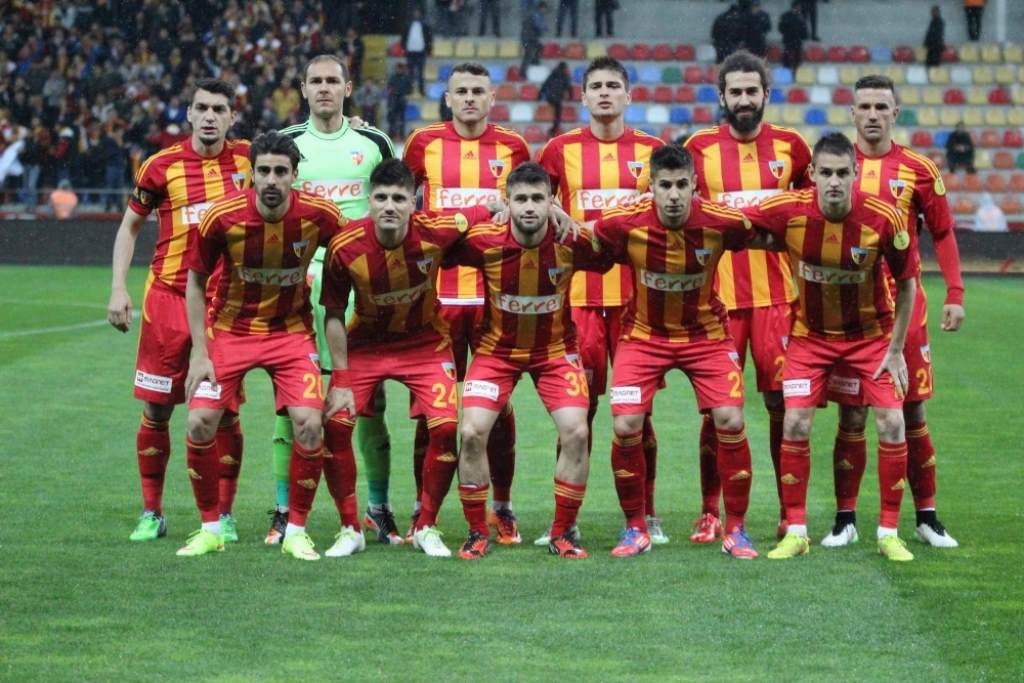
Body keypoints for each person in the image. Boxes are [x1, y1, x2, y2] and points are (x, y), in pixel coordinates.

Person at [743, 132, 919, 563]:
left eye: (842, 173)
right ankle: (796, 531)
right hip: (810, 338)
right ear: (813, 175)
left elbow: (908, 283)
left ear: (856, 173)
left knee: (892, 424)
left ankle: (889, 533)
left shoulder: (884, 217)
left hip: (871, 338)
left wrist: (896, 349)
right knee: (795, 422)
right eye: (826, 173)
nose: (834, 182)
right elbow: (732, 224)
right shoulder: (788, 210)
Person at [319, 159, 502, 558]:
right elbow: (332, 314)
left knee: (445, 427)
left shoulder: (437, 229)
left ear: (413, 202)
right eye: (382, 197)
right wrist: (342, 379)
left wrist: (506, 206)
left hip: (424, 343)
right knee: (334, 424)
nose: (390, 206)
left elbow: (482, 210)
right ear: (369, 200)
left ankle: (426, 526)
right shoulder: (344, 246)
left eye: (399, 198)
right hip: (366, 344)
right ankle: (350, 529)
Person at [178, 131, 341, 560]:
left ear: (294, 175)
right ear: (251, 173)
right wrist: (199, 352)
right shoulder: (221, 217)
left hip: (291, 333)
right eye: (263, 171)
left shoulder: (319, 215)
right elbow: (195, 283)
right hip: (230, 331)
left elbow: (357, 246)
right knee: (199, 423)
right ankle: (211, 529)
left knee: (310, 424)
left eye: (280, 172)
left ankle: (296, 532)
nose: (271, 180)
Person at [594, 145, 763, 560]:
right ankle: (635, 527)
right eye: (665, 185)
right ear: (651, 187)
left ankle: (736, 529)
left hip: (706, 336)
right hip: (643, 335)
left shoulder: (722, 222)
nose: (673, 195)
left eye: (681, 185)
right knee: (626, 425)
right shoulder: (623, 223)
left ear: (695, 186)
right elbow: (585, 237)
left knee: (730, 419)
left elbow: (767, 230)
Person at [820, 74, 965, 549]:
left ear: (895, 113)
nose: (873, 115)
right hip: (851, 309)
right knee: (852, 414)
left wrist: (955, 293)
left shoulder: (919, 169)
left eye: (881, 107)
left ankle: (926, 517)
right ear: (852, 113)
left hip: (906, 308)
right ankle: (845, 519)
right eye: (865, 107)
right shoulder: (835, 167)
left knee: (913, 408)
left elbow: (942, 232)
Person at [107, 78, 250, 545]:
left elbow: (299, 156)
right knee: (157, 408)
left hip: (223, 304)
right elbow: (129, 227)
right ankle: (152, 512)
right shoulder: (161, 166)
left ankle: (223, 515)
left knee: (223, 412)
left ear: (232, 117)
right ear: (188, 114)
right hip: (167, 298)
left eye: (219, 109)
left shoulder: (249, 161)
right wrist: (118, 289)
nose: (210, 116)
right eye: (202, 108)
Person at [450, 162, 611, 560]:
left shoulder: (570, 238)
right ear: (507, 201)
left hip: (554, 353)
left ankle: (562, 533)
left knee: (577, 432)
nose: (529, 207)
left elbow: (614, 246)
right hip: (495, 353)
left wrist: (577, 222)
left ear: (551, 202)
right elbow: (436, 238)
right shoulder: (484, 240)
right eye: (520, 199)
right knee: (471, 432)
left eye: (538, 198)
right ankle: (476, 532)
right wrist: (481, 210)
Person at [684, 50, 812, 544]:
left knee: (781, 404)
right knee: (717, 411)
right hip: (716, 300)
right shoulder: (698, 148)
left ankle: (788, 511)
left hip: (777, 298)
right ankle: (709, 511)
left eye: (751, 91)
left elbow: (812, 209)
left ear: (765, 95)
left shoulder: (792, 148)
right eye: (734, 92)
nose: (743, 99)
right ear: (721, 96)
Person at [537, 56, 666, 545]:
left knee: (639, 414)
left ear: (628, 96)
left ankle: (647, 514)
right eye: (597, 86)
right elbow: (539, 207)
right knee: (576, 412)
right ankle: (564, 520)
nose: (605, 93)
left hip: (638, 301)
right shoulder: (558, 150)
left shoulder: (652, 151)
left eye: (614, 85)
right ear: (584, 96)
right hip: (579, 300)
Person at [403, 62, 531, 544]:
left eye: (479, 90)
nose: (470, 98)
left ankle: (503, 507)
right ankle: (423, 509)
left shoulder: (513, 147)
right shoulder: (423, 143)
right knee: (431, 409)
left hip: (495, 297)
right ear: (448, 98)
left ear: (492, 97)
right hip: (436, 296)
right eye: (462, 91)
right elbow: (403, 205)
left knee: (498, 407)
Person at [274, 54, 398, 550]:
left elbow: (395, 204)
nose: (324, 88)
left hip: (362, 285)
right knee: (293, 403)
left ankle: (378, 508)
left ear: (348, 88)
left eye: (332, 81)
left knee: (370, 401)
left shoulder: (373, 142)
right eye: (315, 81)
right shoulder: (287, 144)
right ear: (303, 89)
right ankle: (284, 511)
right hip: (302, 283)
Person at [402, 8, 432, 97]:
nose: (416, 15)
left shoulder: (425, 25)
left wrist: (429, 49)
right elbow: (404, 36)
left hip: (421, 52)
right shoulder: (408, 25)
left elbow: (429, 37)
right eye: (415, 13)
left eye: (418, 13)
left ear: (420, 14)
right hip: (410, 52)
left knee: (420, 73)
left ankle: (421, 90)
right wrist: (404, 47)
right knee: (410, 73)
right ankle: (409, 89)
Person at [539, 61, 573, 136]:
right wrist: (571, 97)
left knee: (556, 112)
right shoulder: (565, 76)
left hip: (550, 97)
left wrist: (540, 95)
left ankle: (553, 129)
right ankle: (554, 129)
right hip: (557, 98)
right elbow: (569, 88)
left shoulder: (552, 74)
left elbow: (544, 85)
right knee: (557, 115)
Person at [386, 62, 414, 140]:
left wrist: (402, 92)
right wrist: (393, 92)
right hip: (393, 99)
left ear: (402, 69)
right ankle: (391, 135)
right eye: (397, 69)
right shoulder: (392, 78)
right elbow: (388, 88)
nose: (398, 70)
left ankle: (401, 135)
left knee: (402, 119)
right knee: (392, 119)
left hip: (402, 99)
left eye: (399, 69)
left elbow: (410, 89)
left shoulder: (406, 78)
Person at [520, 1, 547, 78]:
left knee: (536, 51)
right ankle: (523, 73)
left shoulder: (535, 14)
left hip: (529, 38)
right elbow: (539, 26)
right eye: (544, 9)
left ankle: (533, 67)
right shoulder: (536, 15)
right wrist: (545, 28)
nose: (545, 11)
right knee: (528, 56)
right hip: (529, 38)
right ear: (541, 8)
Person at [779, 1, 807, 72]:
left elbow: (804, 29)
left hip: (797, 41)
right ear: (795, 7)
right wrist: (789, 32)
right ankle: (786, 72)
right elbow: (781, 28)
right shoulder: (786, 16)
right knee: (786, 58)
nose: (799, 9)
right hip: (789, 40)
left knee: (797, 59)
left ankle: (795, 72)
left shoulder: (801, 16)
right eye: (798, 7)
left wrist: (803, 35)